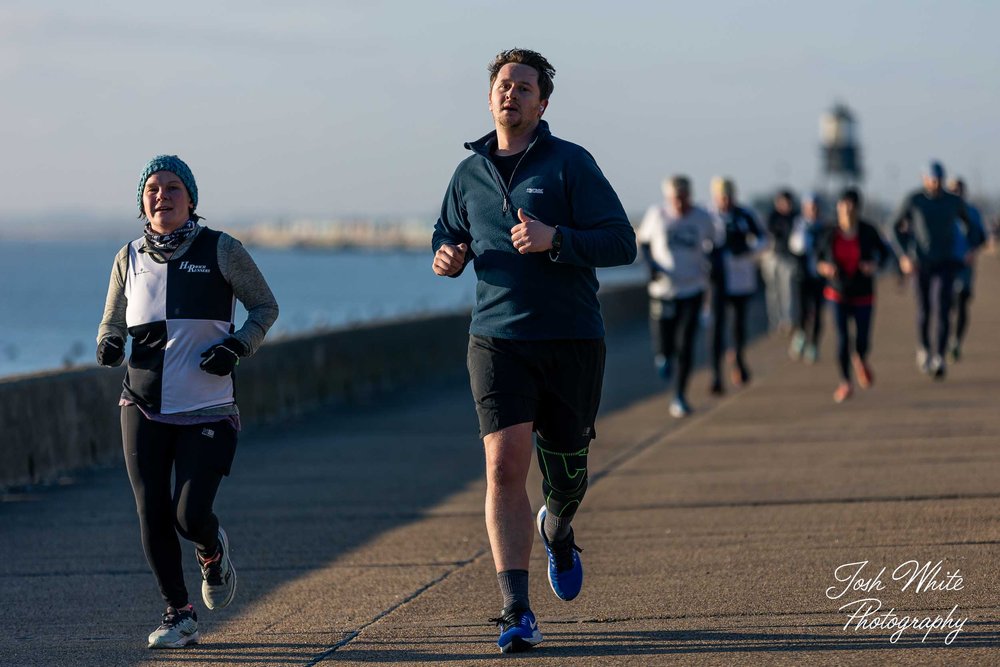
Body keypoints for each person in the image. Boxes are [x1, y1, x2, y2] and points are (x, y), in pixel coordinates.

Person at [431, 49, 636, 653]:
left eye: (524, 87)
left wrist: (556, 240)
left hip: (572, 338)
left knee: (566, 475)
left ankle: (560, 527)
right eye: (502, 85)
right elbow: (449, 232)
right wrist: (447, 256)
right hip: (497, 340)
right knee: (503, 465)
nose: (510, 94)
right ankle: (515, 610)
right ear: (490, 96)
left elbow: (621, 242)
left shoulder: (571, 163)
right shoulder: (466, 174)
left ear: (542, 103)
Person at [97, 155, 278, 649]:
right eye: (152, 189)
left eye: (173, 188)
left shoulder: (222, 249)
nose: (162, 196)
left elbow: (265, 306)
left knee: (188, 515)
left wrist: (238, 345)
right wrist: (109, 343)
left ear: (191, 199)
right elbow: (112, 320)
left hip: (208, 406)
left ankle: (211, 549)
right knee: (150, 510)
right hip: (142, 403)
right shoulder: (127, 256)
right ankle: (179, 614)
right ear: (142, 202)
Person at [638, 175, 719, 417]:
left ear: (689, 195)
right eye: (675, 199)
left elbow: (715, 244)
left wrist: (713, 266)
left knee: (686, 344)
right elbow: (643, 242)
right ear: (668, 198)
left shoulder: (702, 218)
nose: (680, 204)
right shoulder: (657, 215)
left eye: (683, 198)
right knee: (665, 344)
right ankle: (663, 356)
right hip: (663, 291)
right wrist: (652, 268)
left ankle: (680, 395)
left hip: (692, 288)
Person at [891, 161, 979, 379]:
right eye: (931, 179)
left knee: (942, 307)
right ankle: (924, 349)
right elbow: (894, 227)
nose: (936, 183)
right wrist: (904, 255)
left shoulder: (953, 201)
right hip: (921, 263)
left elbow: (973, 228)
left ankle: (939, 356)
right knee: (924, 309)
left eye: (939, 179)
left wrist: (969, 249)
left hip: (945, 263)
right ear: (924, 179)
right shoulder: (914, 200)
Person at [816, 188, 891, 403]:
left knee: (862, 339)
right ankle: (845, 382)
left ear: (858, 209)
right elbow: (817, 257)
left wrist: (873, 265)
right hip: (837, 291)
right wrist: (824, 268)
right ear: (838, 207)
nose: (846, 210)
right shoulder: (829, 232)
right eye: (843, 205)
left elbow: (885, 254)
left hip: (863, 292)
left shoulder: (868, 231)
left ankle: (861, 358)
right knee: (841, 338)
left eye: (851, 206)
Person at [709, 177, 765, 395]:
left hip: (741, 279)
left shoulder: (746, 215)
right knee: (716, 328)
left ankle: (739, 361)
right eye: (721, 197)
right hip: (716, 280)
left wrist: (747, 249)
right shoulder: (708, 216)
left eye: (728, 196)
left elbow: (763, 240)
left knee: (738, 326)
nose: (725, 201)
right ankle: (716, 375)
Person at [945, 177, 986, 361]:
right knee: (945, 304)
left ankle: (956, 342)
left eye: (959, 189)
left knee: (961, 303)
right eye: (952, 189)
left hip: (965, 265)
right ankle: (942, 339)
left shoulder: (972, 212)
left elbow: (981, 237)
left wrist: (973, 250)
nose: (956, 192)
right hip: (944, 265)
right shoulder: (942, 211)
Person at [788, 193, 828, 363]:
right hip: (801, 276)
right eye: (810, 207)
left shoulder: (825, 228)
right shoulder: (797, 225)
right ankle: (801, 334)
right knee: (802, 311)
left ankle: (814, 345)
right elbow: (795, 247)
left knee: (819, 313)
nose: (813, 211)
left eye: (815, 207)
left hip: (819, 276)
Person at [763, 189, 798, 334]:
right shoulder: (772, 216)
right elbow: (769, 233)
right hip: (772, 257)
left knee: (788, 290)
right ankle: (774, 321)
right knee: (773, 291)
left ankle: (787, 320)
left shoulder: (795, 218)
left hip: (788, 258)